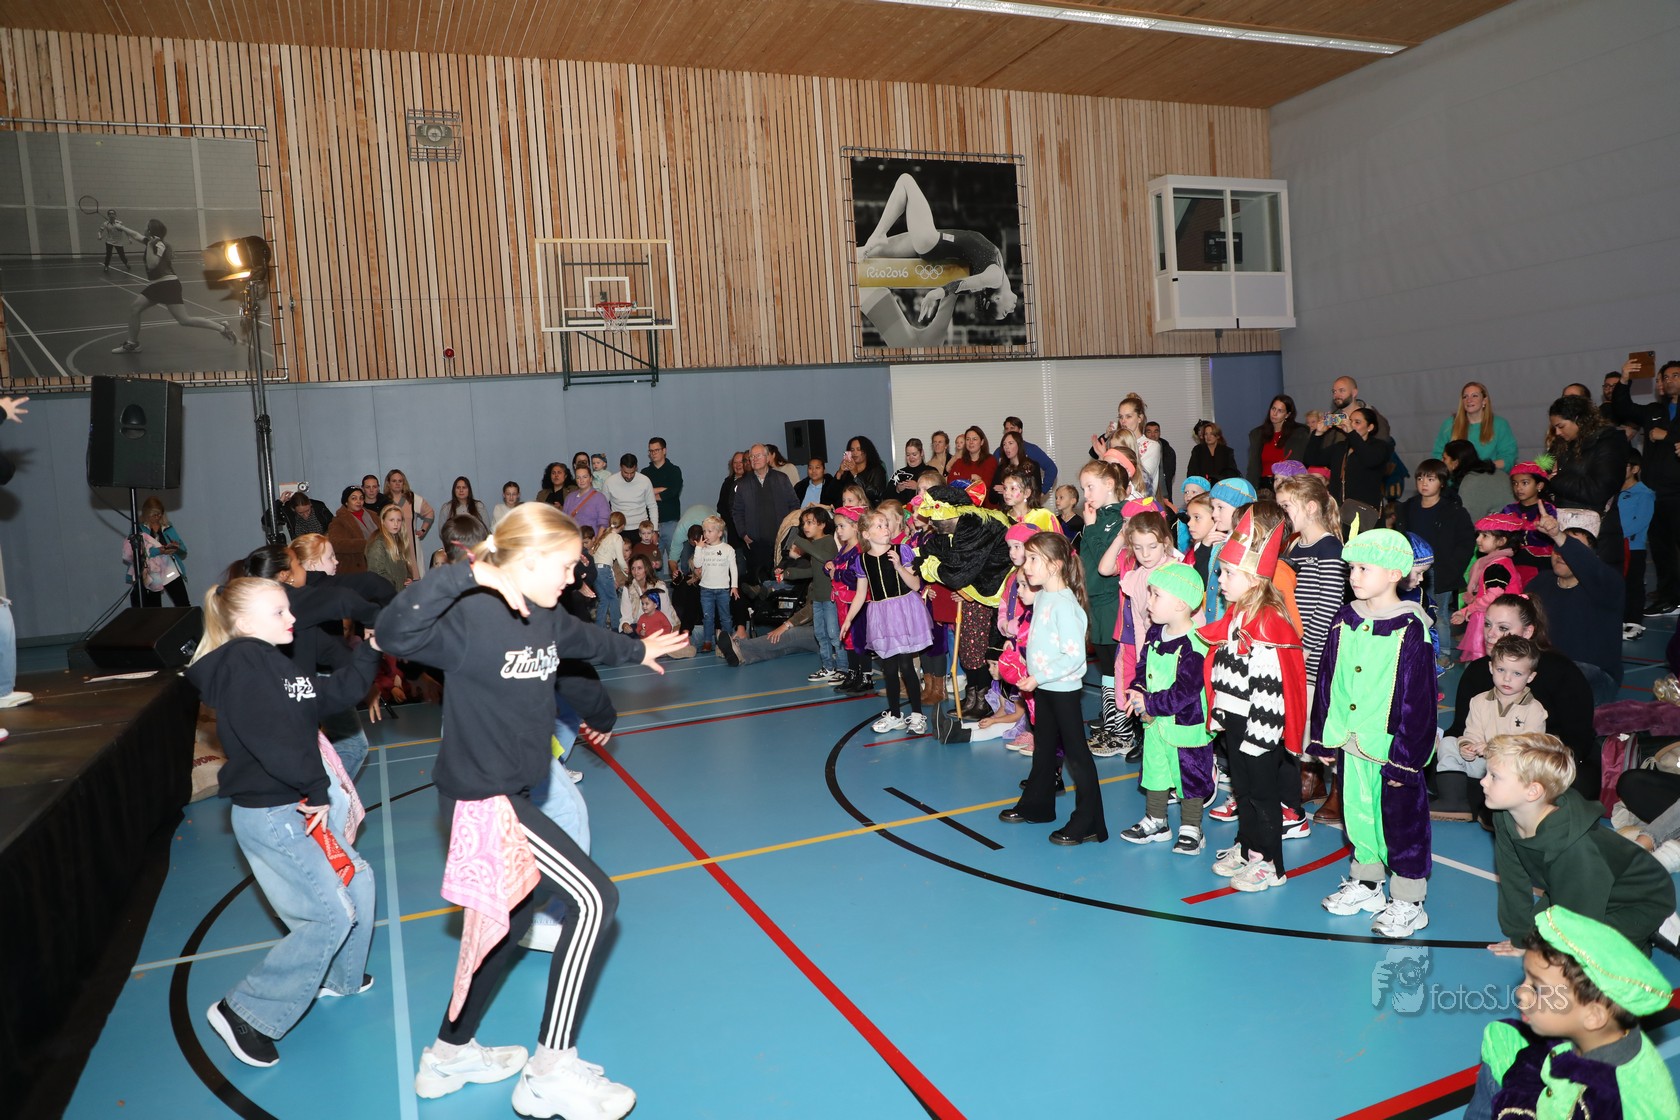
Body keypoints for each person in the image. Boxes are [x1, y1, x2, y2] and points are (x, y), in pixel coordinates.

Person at [374, 504, 686, 1115]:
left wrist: (636, 649)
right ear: (529, 559)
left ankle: (448, 1055)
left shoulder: (545, 615)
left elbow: (586, 641)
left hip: (509, 794)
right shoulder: (473, 615)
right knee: (595, 901)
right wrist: (468, 574)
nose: (572, 578)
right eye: (565, 566)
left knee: (509, 924)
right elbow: (393, 634)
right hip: (483, 799)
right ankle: (551, 1069)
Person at [186, 577, 379, 1068]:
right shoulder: (243, 665)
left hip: (293, 808)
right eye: (279, 612)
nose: (292, 619)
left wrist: (371, 650)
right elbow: (274, 739)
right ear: (243, 622)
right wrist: (316, 789)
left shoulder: (273, 662)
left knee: (357, 880)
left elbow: (332, 694)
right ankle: (244, 1011)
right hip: (274, 814)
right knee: (327, 916)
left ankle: (339, 978)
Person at [1312, 527, 1438, 938]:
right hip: (1351, 740)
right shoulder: (1345, 618)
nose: (1354, 576)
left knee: (1402, 824)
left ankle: (1409, 900)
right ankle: (1367, 883)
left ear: (1394, 573)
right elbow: (1328, 677)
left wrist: (1407, 757)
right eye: (1351, 568)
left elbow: (1419, 698)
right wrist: (1322, 734)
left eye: (1364, 568)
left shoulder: (1410, 627)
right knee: (1358, 816)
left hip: (1391, 748)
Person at [1464, 907, 1679, 1120]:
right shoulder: (1600, 1035)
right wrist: (1518, 1103)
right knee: (1502, 1038)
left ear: (1593, 1016)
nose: (1520, 992)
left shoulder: (1611, 1101)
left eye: (1537, 988)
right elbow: (1537, 1057)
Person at [1480, 733, 1674, 953]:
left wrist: (1561, 951)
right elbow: (1512, 878)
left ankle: (1652, 932)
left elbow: (1579, 920)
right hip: (1580, 890)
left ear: (1533, 791)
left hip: (1640, 899)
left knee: (1583, 959)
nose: (1483, 781)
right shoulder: (1505, 818)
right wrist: (1521, 938)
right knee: (1542, 941)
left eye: (1494, 776)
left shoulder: (1575, 848)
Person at [1201, 508, 1307, 891]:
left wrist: (1261, 736)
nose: (1220, 580)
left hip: (1259, 727)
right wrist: (1220, 711)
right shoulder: (1237, 615)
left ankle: (1272, 863)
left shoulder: (1267, 623)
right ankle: (1248, 848)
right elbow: (1224, 668)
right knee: (1242, 790)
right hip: (1235, 719)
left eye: (1228, 573)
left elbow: (1271, 687)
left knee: (1263, 796)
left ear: (1253, 578)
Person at [1450, 594, 1599, 815]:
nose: (1491, 634)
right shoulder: (1477, 671)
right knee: (1440, 763)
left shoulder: (1560, 671)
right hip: (1488, 763)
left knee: (1577, 788)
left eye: (1502, 628)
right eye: (1488, 624)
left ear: (1528, 632)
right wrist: (1462, 746)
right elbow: (1460, 728)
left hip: (1542, 763)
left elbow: (1578, 739)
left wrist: (1535, 767)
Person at [999, 531, 1104, 844]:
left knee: (1077, 755)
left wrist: (1038, 677)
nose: (1026, 565)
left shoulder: (1066, 606)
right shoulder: (1043, 595)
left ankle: (1089, 821)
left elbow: (1074, 657)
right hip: (1044, 686)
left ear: (1056, 565)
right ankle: (1037, 805)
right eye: (1027, 558)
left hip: (1062, 689)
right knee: (1044, 748)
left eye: (1034, 559)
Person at [856, 171, 1020, 347]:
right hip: (928, 245)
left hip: (931, 242)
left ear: (996, 299)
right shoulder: (996, 271)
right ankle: (874, 238)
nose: (1012, 310)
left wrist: (937, 293)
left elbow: (962, 284)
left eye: (1005, 312)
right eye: (1006, 314)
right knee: (858, 255)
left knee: (906, 181)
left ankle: (879, 233)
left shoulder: (995, 277)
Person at [1119, 563, 1213, 855]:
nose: (1148, 601)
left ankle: (1192, 827)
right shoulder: (1155, 633)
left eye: (1156, 595)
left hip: (1185, 727)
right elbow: (1142, 666)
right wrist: (1138, 690)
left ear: (1180, 604)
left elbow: (1185, 691)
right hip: (1155, 722)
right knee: (1155, 771)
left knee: (1190, 776)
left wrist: (1150, 703)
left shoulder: (1195, 644)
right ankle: (1156, 821)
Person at [1434, 636, 1547, 820]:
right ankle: (1453, 801)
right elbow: (1472, 732)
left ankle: (1498, 812)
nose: (1507, 678)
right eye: (1501, 669)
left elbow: (1529, 750)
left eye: (1517, 673)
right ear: (1491, 668)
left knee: (1527, 770)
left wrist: (1492, 749)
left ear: (1530, 677)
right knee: (1448, 743)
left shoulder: (1535, 710)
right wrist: (1467, 746)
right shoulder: (1479, 701)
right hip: (1481, 763)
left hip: (1513, 770)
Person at [843, 509, 932, 735]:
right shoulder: (862, 560)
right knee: (889, 668)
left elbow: (915, 585)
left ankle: (917, 715)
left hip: (904, 611)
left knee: (906, 665)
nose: (886, 529)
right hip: (881, 615)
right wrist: (848, 619)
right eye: (879, 526)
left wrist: (899, 566)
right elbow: (861, 594)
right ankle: (895, 715)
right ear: (866, 534)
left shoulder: (902, 550)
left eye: (886, 524)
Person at [1525, 513, 1624, 704]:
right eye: (1557, 548)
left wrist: (1558, 535)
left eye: (1571, 549)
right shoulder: (1540, 582)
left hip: (1595, 674)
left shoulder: (1608, 586)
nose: (1561, 554)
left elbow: (1591, 568)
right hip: (1546, 667)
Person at [1610, 358, 1680, 614]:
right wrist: (1624, 379)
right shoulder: (1654, 411)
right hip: (1655, 493)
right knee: (1661, 549)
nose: (1670, 380)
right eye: (1666, 376)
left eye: (1676, 375)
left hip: (1678, 492)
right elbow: (1622, 409)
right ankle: (1670, 597)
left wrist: (1668, 436)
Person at [107, 218, 237, 353]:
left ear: (150, 231)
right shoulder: (151, 242)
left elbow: (152, 265)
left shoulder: (158, 245)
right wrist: (121, 227)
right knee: (135, 308)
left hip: (167, 285)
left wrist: (150, 246)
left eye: (146, 227)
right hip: (156, 285)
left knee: (184, 320)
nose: (144, 229)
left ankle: (223, 328)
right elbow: (135, 235)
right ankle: (132, 343)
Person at [1396, 459, 1474, 666]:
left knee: (1439, 615)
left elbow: (1466, 542)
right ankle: (1414, 649)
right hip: (1411, 570)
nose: (1424, 483)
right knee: (1411, 610)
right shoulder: (1407, 508)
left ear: (1442, 482)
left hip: (1440, 571)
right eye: (1420, 478)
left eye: (1431, 479)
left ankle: (1444, 654)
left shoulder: (1453, 511)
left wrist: (1453, 567)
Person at [1076, 460, 1128, 749]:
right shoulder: (1096, 518)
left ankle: (1124, 732)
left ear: (1109, 484)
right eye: (1083, 488)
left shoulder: (1121, 517)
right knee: (1106, 670)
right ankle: (1112, 726)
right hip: (1094, 603)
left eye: (1090, 487)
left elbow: (1104, 562)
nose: (1086, 495)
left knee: (1117, 669)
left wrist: (1091, 528)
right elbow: (1086, 562)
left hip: (1112, 602)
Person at [1546, 394, 1632, 567]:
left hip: (1599, 536)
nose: (1558, 433)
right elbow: (1544, 471)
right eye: (1555, 428)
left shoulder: (1609, 441)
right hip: (1564, 530)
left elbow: (1598, 490)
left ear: (1578, 419)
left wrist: (1555, 480)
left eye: (1561, 426)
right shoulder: (1562, 445)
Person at [1453, 514, 1527, 662]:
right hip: (1495, 617)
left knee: (1483, 659)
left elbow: (1493, 596)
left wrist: (1468, 609)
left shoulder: (1497, 566)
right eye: (1479, 535)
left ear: (1501, 541)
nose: (1478, 539)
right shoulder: (1498, 562)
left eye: (1485, 536)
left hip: (1492, 620)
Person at [780, 507, 839, 679]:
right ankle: (828, 667)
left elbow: (825, 559)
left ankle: (843, 668)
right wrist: (792, 573)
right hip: (817, 598)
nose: (805, 527)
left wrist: (800, 541)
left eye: (810, 523)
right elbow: (815, 571)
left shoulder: (828, 541)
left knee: (834, 634)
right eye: (803, 523)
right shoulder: (813, 545)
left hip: (830, 598)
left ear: (822, 524)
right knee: (820, 633)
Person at [1304, 406, 1391, 521]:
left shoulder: (1379, 447)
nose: (1351, 425)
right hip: (1339, 511)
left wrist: (1351, 432)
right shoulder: (1341, 447)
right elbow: (1311, 459)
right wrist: (1318, 433)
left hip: (1365, 512)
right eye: (1350, 421)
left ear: (1370, 427)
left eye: (1357, 422)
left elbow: (1369, 459)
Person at [732, 444, 798, 583]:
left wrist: (789, 532)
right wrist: (743, 534)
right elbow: (737, 511)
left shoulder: (781, 479)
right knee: (759, 583)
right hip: (756, 544)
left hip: (780, 541)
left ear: (767, 458)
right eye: (752, 457)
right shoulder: (743, 484)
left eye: (758, 455)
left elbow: (794, 505)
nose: (754, 459)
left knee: (780, 582)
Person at [1433, 381, 1518, 470]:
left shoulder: (1500, 425)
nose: (1469, 400)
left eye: (1474, 396)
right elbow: (1438, 456)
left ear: (1484, 400)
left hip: (1490, 475)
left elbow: (1508, 458)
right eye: (1465, 396)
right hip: (1456, 478)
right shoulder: (1449, 424)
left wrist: (1481, 468)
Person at [123, 495, 190, 608]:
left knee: (183, 604)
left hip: (169, 569)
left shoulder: (168, 527)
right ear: (146, 514)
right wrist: (159, 551)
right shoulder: (138, 529)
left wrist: (176, 547)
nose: (157, 517)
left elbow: (183, 549)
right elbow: (136, 553)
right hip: (149, 571)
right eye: (154, 515)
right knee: (154, 608)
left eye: (160, 514)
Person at [1091, 393, 1162, 497]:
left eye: (1128, 416)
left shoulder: (1152, 446)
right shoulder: (1115, 443)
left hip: (1141, 502)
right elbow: (1105, 480)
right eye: (1121, 417)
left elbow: (1142, 480)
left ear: (1140, 418)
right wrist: (1102, 456)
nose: (1123, 421)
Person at [690, 515, 738, 655]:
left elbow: (733, 569)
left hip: (723, 589)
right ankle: (707, 641)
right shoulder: (703, 549)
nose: (706, 534)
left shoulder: (728, 549)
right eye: (704, 531)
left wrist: (734, 586)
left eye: (710, 531)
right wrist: (698, 548)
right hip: (706, 590)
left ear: (719, 533)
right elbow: (697, 564)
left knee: (725, 617)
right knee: (707, 617)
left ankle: (727, 641)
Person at [1620, 452, 1655, 639]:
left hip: (1634, 548)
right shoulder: (1612, 491)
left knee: (1634, 584)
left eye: (1624, 465)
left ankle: (1634, 622)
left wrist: (1615, 533)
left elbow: (1641, 521)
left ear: (1635, 469)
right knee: (1617, 584)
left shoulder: (1644, 494)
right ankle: (1620, 619)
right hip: (1614, 547)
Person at [1246, 394, 1310, 491]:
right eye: (1273, 409)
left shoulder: (1298, 434)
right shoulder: (1258, 434)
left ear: (1287, 415)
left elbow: (1301, 463)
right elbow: (1252, 468)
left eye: (1280, 411)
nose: (1274, 413)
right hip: (1263, 486)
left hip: (1287, 485)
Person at [383, 469, 434, 580]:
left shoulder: (412, 498)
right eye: (394, 481)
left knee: (414, 575)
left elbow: (429, 512)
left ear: (404, 482)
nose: (397, 484)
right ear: (388, 483)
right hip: (391, 543)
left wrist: (423, 530)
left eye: (400, 481)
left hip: (410, 544)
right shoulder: (383, 500)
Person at [1442, 440, 1510, 521]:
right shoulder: (1496, 472)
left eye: (1444, 458)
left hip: (1501, 525)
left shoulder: (1470, 481)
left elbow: (1468, 521)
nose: (1442, 461)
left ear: (1455, 463)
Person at [643, 437, 683, 557]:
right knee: (653, 561)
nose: (653, 453)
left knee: (674, 559)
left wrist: (651, 494)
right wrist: (663, 489)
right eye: (651, 451)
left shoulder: (674, 470)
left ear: (664, 450)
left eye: (656, 450)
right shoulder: (645, 473)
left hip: (671, 522)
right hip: (651, 525)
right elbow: (642, 494)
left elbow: (673, 491)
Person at [995, 417, 1057, 490]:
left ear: (1020, 430)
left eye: (1012, 428)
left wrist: (1043, 491)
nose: (1009, 431)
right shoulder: (1000, 451)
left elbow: (1051, 468)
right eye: (1006, 429)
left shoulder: (1031, 449)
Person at [602, 452, 658, 534]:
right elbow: (603, 508)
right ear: (620, 467)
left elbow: (652, 506)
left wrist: (655, 530)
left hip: (642, 529)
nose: (629, 476)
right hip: (617, 529)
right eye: (626, 473)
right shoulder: (609, 482)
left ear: (636, 468)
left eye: (632, 473)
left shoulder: (645, 481)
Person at [329, 485, 377, 574]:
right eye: (354, 498)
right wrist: (364, 544)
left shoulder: (373, 515)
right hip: (355, 566)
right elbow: (335, 544)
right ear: (346, 502)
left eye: (361, 498)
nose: (358, 501)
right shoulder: (339, 520)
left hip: (377, 560)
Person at [366, 504, 412, 593]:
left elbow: (404, 565)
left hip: (398, 592)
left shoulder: (399, 541)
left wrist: (408, 577)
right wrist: (394, 585)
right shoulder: (378, 543)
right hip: (386, 592)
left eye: (399, 520)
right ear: (383, 521)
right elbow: (376, 571)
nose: (396, 524)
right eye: (391, 520)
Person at [560, 465, 610, 539]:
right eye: (578, 477)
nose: (581, 480)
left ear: (590, 478)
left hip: (591, 542)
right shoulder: (569, 498)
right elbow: (564, 522)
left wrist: (597, 543)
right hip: (572, 540)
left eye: (585, 477)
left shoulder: (600, 498)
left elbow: (603, 524)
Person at [1187, 421, 1240, 486]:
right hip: (1202, 487)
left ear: (1218, 436)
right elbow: (1191, 472)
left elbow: (1232, 472)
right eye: (1206, 434)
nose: (1208, 437)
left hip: (1222, 486)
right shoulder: (1197, 450)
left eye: (1211, 434)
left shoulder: (1227, 451)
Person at [994, 430, 1043, 501]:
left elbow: (1037, 493)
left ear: (1019, 445)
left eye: (1010, 443)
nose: (1006, 447)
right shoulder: (1001, 468)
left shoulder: (1032, 466)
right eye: (1004, 444)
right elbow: (992, 498)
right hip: (1006, 507)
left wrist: (1009, 488)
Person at [1145, 421, 1174, 501]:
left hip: (1163, 492)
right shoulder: (1141, 449)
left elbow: (1171, 471)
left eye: (1156, 431)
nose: (1153, 435)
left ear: (1159, 433)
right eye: (1149, 432)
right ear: (1145, 434)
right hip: (1146, 492)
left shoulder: (1168, 450)